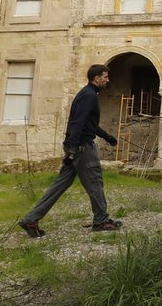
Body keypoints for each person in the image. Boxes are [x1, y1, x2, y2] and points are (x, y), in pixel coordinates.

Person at [18, 64, 121, 237]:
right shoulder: (89, 96)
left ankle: (31, 219)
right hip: (82, 148)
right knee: (95, 182)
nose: (107, 80)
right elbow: (77, 123)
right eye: (105, 77)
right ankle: (101, 220)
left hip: (78, 146)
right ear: (96, 78)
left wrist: (107, 137)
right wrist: (73, 149)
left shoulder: (88, 94)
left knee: (60, 184)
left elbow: (89, 124)